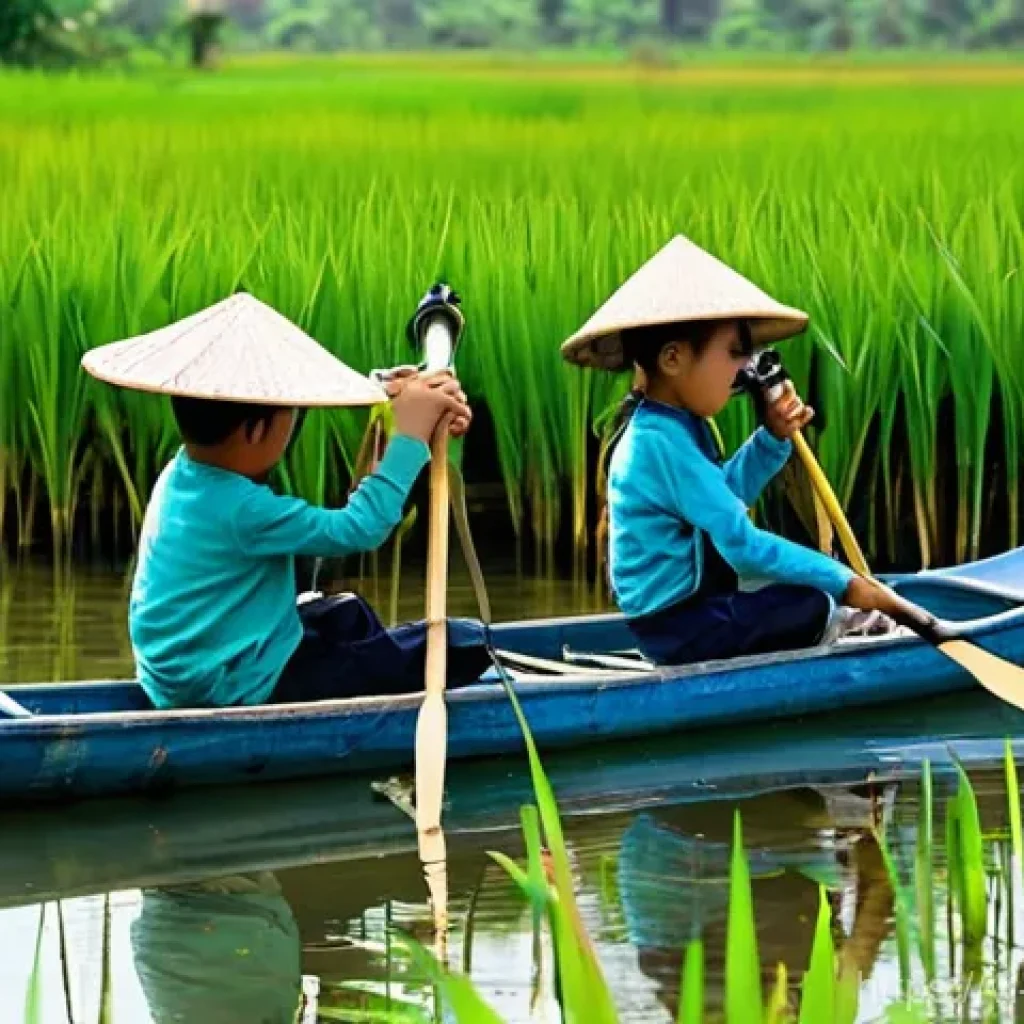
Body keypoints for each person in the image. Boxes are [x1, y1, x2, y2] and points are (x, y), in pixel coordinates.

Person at [81, 292, 489, 709]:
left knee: (348, 616)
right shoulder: (243, 509)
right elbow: (361, 528)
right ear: (256, 432)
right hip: (231, 685)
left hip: (188, 672)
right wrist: (412, 436)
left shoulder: (183, 473)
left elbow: (286, 412)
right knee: (462, 645)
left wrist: (389, 392)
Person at [561, 235, 904, 665]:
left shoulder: (676, 427)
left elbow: (722, 496)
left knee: (801, 596)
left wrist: (772, 437)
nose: (743, 369)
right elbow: (740, 544)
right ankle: (845, 626)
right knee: (812, 601)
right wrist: (844, 581)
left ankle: (842, 621)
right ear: (673, 359)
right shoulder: (658, 442)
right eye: (733, 354)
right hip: (680, 630)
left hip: (685, 619)